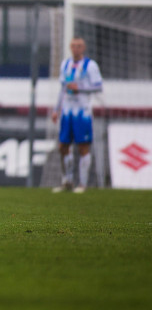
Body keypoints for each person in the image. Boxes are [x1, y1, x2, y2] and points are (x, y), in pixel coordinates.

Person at [51, 37, 103, 193]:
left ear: (84, 48)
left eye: (79, 46)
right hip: (67, 111)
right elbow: (62, 89)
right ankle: (67, 180)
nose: (76, 48)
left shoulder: (91, 65)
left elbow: (98, 86)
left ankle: (83, 184)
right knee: (63, 146)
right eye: (73, 46)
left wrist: (80, 88)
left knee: (83, 146)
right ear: (70, 47)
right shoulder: (65, 65)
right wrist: (56, 109)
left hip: (82, 112)